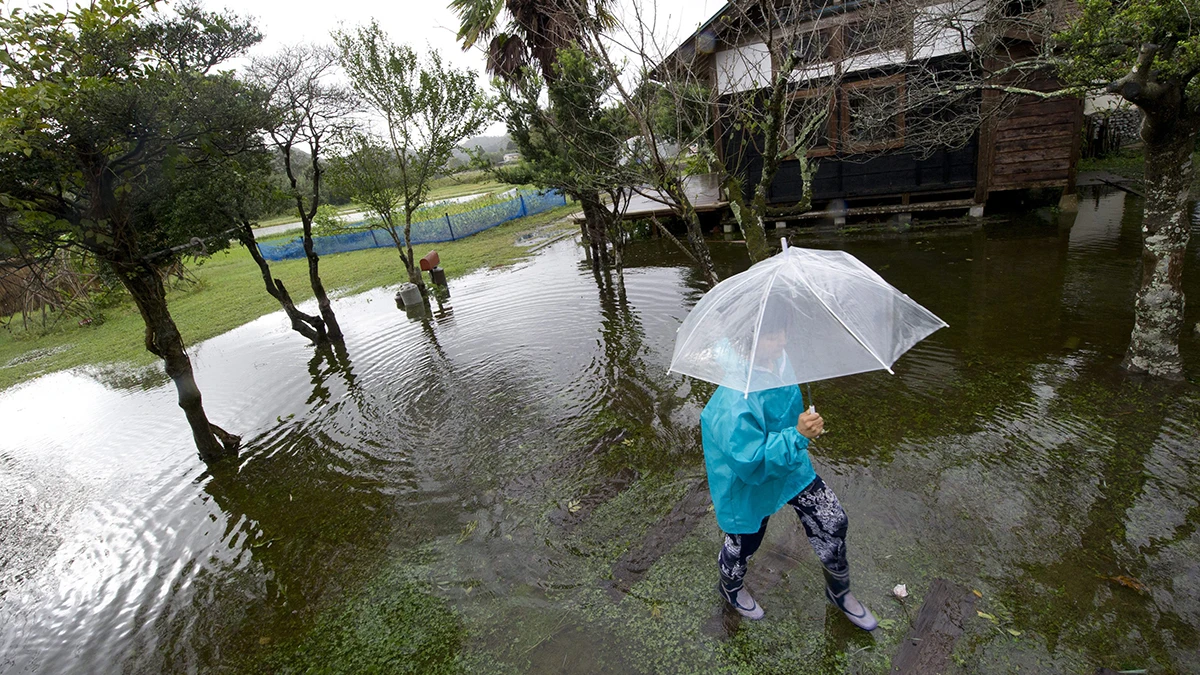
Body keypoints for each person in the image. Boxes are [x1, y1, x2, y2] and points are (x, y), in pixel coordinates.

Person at [700, 336, 876, 630]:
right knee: (744, 543)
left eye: (783, 330)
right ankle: (730, 588)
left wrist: (803, 427)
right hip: (747, 486)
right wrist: (797, 435)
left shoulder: (781, 361)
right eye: (771, 335)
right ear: (750, 341)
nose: (782, 340)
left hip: (790, 466)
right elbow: (751, 463)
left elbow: (787, 414)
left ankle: (839, 590)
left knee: (832, 520)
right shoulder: (731, 401)